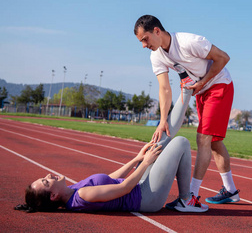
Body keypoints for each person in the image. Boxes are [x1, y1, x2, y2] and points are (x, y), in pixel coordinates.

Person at [134, 15, 240, 205]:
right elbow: (164, 88)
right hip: (201, 91)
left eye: (145, 39)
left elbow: (223, 58)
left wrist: (201, 82)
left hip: (219, 84)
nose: (143, 45)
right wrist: (163, 120)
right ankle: (230, 190)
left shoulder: (189, 42)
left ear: (156, 31)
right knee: (213, 142)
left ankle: (190, 196)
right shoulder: (156, 55)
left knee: (203, 138)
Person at [15, 136, 208, 213]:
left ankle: (185, 199)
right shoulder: (82, 195)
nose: (48, 175)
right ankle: (186, 200)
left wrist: (137, 159)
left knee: (164, 142)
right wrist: (146, 163)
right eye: (46, 181)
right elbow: (123, 187)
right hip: (147, 198)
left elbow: (110, 179)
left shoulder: (72, 191)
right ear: (53, 195)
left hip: (139, 187)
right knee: (181, 142)